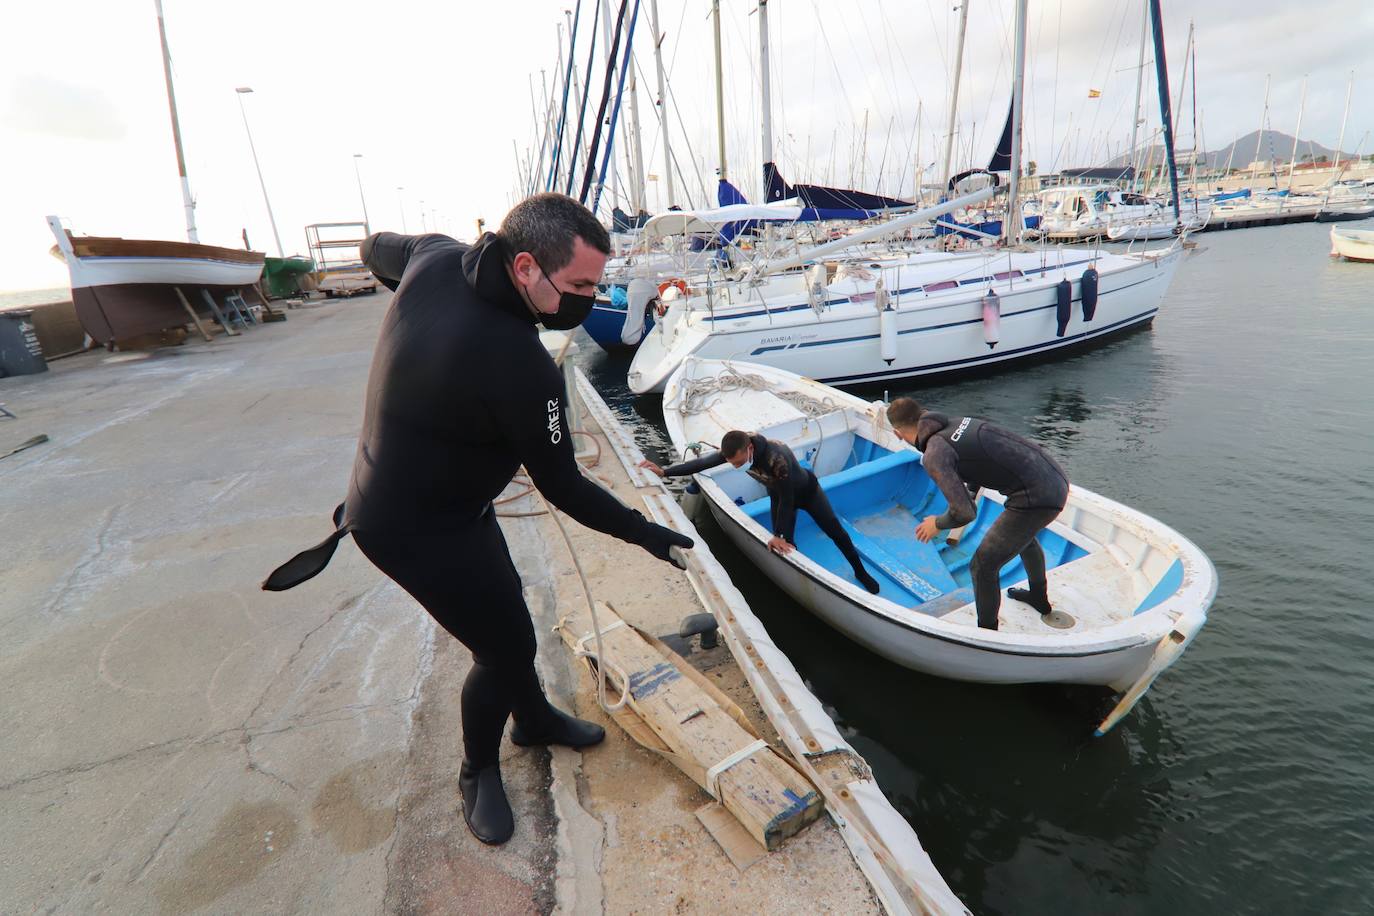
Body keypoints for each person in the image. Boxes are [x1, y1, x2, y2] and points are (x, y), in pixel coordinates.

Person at [261, 193, 693, 846]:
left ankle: (535, 719)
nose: (587, 298)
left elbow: (374, 246)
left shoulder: (434, 256)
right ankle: (478, 769)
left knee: (508, 611)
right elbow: (566, 488)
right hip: (409, 530)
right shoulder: (525, 371)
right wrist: (649, 534)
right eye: (578, 285)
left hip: (449, 500)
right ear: (525, 267)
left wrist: (412, 308)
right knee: (504, 648)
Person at [885, 397, 1069, 631]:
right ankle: (1039, 598)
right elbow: (978, 460)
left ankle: (987, 633)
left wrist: (937, 524)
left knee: (982, 566)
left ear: (898, 433)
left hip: (1038, 497)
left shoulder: (934, 455)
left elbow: (964, 513)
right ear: (922, 413)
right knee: (1023, 537)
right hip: (1054, 476)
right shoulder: (955, 423)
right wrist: (968, 493)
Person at [639, 431, 880, 595]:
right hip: (777, 493)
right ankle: (795, 568)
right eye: (732, 463)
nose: (736, 466)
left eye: (739, 462)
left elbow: (789, 500)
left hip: (806, 491)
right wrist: (665, 472)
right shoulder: (734, 448)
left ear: (750, 448)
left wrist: (778, 534)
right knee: (786, 544)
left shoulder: (777, 458)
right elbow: (701, 464)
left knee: (835, 532)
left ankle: (860, 571)